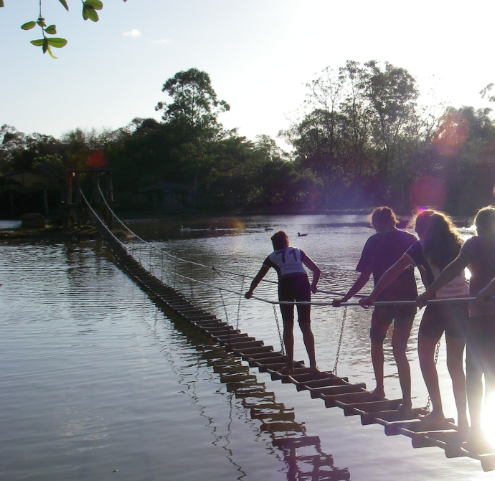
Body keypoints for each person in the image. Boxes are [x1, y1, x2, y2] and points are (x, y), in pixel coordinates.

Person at [359, 210, 469, 432]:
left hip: (438, 307)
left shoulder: (421, 246)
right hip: (462, 306)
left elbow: (393, 271)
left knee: (425, 355)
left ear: (423, 229)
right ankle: (464, 421)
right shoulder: (459, 243)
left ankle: (437, 411)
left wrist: (373, 295)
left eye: (418, 228)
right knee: (456, 364)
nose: (417, 232)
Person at [417, 206, 495, 444]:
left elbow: (452, 270)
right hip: (480, 315)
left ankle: (477, 432)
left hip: (481, 318)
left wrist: (429, 291)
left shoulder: (474, 243)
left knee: (474, 375)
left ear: (478, 227)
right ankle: (478, 431)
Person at [332, 207, 417, 410]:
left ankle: (380, 388)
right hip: (409, 301)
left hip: (383, 300)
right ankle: (407, 401)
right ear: (393, 220)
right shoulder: (410, 239)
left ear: (377, 223)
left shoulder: (373, 241)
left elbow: (364, 276)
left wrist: (345, 298)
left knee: (377, 340)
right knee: (400, 349)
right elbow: (422, 268)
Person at [245, 231, 321, 374]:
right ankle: (313, 365)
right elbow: (317, 271)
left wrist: (250, 291)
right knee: (305, 325)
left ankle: (290, 366)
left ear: (274, 244)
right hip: (302, 284)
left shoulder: (272, 257)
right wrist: (313, 285)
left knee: (288, 325)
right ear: (287, 242)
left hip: (286, 285)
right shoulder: (298, 251)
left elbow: (259, 277)